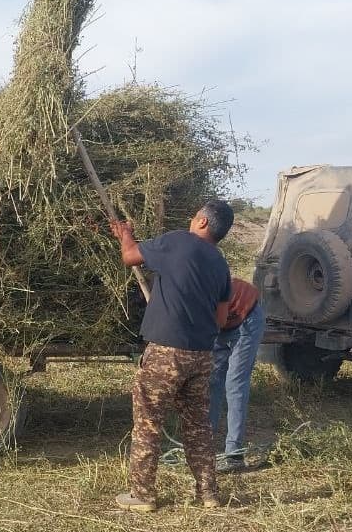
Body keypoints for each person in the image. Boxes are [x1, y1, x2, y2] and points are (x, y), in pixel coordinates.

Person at [109, 200, 235, 512]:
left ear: (202, 222)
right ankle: (208, 494)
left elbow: (130, 256)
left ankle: (142, 495)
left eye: (195, 215)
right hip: (201, 355)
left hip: (167, 353)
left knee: (148, 422)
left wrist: (125, 234)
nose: (191, 219)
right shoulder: (221, 265)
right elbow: (221, 320)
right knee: (198, 427)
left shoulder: (179, 241)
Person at [208, 277, 266, 471]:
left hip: (246, 316)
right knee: (213, 381)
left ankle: (234, 454)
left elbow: (216, 321)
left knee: (235, 383)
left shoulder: (202, 289)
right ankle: (204, 444)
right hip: (222, 321)